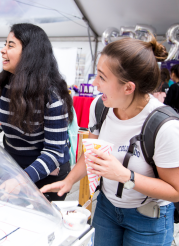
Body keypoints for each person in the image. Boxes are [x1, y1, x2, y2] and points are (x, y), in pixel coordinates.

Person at [41, 37, 179, 245]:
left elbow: (175, 191)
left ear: (128, 88)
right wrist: (68, 181)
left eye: (102, 77)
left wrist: (125, 176)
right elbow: (91, 153)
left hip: (149, 219)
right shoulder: (100, 106)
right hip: (107, 208)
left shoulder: (164, 126)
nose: (95, 83)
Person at [0, 23, 74, 201]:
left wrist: (22, 179)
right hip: (12, 168)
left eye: (10, 45)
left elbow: (53, 153)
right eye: (4, 44)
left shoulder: (52, 97)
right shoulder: (4, 84)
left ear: (30, 53)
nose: (2, 50)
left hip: (46, 174)